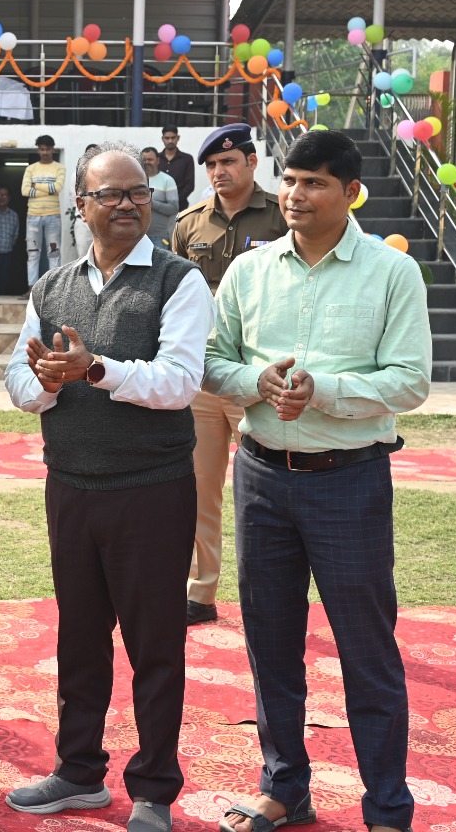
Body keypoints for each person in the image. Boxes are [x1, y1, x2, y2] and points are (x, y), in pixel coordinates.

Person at [204, 130, 431, 832]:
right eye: (290, 181)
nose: (295, 195)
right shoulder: (249, 271)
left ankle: (387, 808)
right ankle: (284, 789)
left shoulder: (392, 273)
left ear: (351, 192)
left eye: (314, 183)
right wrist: (258, 381)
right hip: (261, 477)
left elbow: (411, 380)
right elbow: (211, 360)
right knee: (271, 642)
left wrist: (323, 390)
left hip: (349, 482)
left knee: (367, 649)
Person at [4, 142, 212, 832]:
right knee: (80, 636)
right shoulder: (51, 288)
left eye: (139, 192)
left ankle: (154, 789)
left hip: (151, 490)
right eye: (112, 194)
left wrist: (95, 370)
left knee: (155, 643)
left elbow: (179, 381)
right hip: (70, 486)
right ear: (80, 205)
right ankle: (79, 772)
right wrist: (46, 382)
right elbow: (17, 377)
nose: (128, 204)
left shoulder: (179, 280)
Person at [172, 123, 289, 626]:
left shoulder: (283, 216)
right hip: (202, 376)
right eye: (212, 165)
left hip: (261, 377)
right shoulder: (188, 224)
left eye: (228, 162)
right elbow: (175, 296)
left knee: (268, 492)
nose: (219, 171)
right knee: (199, 489)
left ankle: (270, 596)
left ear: (251, 162)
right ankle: (199, 594)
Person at [22, 135, 66, 293]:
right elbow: (24, 191)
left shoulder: (59, 168)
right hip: (33, 217)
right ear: (38, 150)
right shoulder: (31, 168)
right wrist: (49, 189)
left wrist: (36, 185)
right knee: (33, 253)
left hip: (53, 216)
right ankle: (32, 289)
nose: (45, 152)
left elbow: (58, 188)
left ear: (53, 149)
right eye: (42, 149)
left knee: (54, 253)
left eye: (48, 149)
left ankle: (53, 290)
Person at [141, 148, 178, 249]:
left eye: (150, 159)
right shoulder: (136, 179)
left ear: (158, 160)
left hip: (159, 237)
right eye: (144, 160)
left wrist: (151, 203)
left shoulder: (167, 180)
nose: (147, 162)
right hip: (138, 237)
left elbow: (173, 208)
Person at [159, 125, 196, 210]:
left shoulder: (187, 159)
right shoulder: (157, 159)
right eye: (167, 138)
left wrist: (174, 201)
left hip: (180, 206)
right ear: (162, 139)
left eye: (173, 138)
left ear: (178, 138)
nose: (170, 141)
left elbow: (189, 185)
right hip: (158, 207)